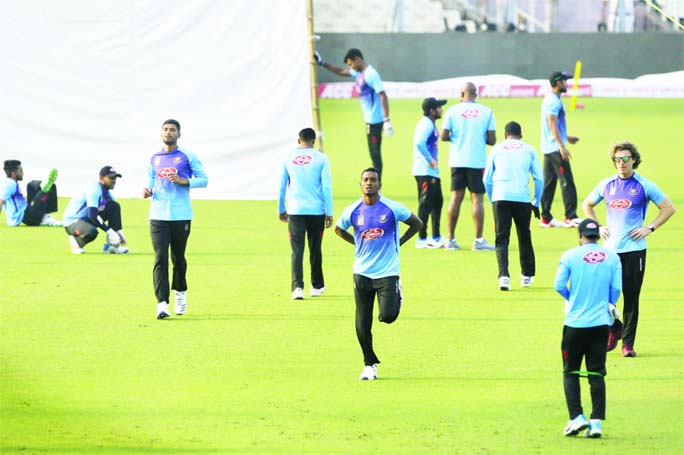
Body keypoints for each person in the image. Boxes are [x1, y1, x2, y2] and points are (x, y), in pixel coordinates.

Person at [581, 141, 675, 357]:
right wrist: (598, 226)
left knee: (631, 297)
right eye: (617, 160)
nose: (621, 163)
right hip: (609, 251)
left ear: (633, 160)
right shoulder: (607, 184)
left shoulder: (644, 185)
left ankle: (628, 344)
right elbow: (587, 204)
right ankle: (615, 326)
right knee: (602, 295)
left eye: (625, 159)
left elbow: (669, 208)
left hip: (634, 250)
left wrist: (649, 227)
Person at [335, 167, 422, 381]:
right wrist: (356, 243)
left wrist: (399, 243)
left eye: (373, 180)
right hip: (361, 272)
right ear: (360, 184)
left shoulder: (392, 208)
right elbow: (338, 228)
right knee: (363, 321)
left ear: (379, 185)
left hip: (387, 273)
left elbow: (417, 223)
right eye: (365, 180)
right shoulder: (353, 210)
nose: (369, 183)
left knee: (387, 316)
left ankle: (397, 293)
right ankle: (369, 364)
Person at [554, 219, 622, 439]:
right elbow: (616, 288)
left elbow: (558, 285)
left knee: (571, 371)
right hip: (600, 325)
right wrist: (608, 304)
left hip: (574, 325)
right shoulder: (612, 257)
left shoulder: (570, 255)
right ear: (598, 237)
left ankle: (576, 417)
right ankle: (595, 423)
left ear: (580, 235)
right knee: (596, 373)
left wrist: (571, 298)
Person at [143, 119, 208, 320]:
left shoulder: (188, 156)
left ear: (179, 134)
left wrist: (184, 181)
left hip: (181, 215)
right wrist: (148, 190)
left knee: (178, 258)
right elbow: (151, 181)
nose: (168, 132)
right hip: (158, 215)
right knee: (160, 257)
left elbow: (204, 180)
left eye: (172, 130)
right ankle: (161, 303)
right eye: (165, 129)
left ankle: (180, 292)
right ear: (161, 133)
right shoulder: (155, 157)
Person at [483, 121, 543, 291]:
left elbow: (486, 179)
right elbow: (539, 179)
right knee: (524, 236)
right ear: (521, 135)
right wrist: (536, 202)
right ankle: (527, 276)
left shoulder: (497, 149)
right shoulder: (529, 149)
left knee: (501, 238)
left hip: (500, 197)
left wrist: (492, 198)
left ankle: (504, 276)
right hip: (523, 199)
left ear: (505, 135)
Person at [314, 48, 393, 175]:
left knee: (375, 154)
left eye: (351, 64)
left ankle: (376, 185)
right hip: (370, 120)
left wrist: (387, 120)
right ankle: (376, 183)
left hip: (375, 121)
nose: (351, 67)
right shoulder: (359, 73)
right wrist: (322, 62)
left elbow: (383, 95)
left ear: (358, 60)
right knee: (374, 154)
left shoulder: (370, 75)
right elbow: (340, 71)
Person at [278, 128, 334, 300]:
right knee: (315, 248)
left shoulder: (288, 157)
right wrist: (329, 212)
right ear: (313, 141)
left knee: (297, 250)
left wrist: (281, 208)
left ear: (298, 140)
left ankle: (297, 288)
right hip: (316, 211)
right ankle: (316, 286)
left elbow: (282, 186)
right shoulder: (322, 158)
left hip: (295, 211)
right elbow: (326, 187)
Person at [440, 81, 496, 251]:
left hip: (457, 160)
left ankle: (450, 239)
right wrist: (478, 139)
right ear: (475, 94)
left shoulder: (452, 111)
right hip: (476, 161)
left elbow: (443, 136)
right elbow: (492, 140)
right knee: (477, 199)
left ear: (462, 94)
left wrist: (458, 138)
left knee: (456, 198)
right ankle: (478, 241)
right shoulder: (487, 112)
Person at [540, 71, 581, 228]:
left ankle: (546, 218)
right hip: (555, 149)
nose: (567, 83)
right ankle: (571, 216)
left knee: (549, 183)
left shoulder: (551, 99)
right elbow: (551, 123)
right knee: (567, 181)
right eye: (565, 81)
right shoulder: (553, 101)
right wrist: (562, 145)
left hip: (549, 147)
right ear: (558, 83)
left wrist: (566, 137)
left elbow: (553, 125)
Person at [63, 166, 129, 255]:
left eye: (115, 178)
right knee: (91, 232)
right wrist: (109, 231)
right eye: (111, 178)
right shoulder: (94, 189)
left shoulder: (107, 192)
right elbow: (93, 215)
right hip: (72, 222)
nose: (114, 180)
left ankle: (111, 246)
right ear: (101, 178)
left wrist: (118, 232)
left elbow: (112, 213)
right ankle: (76, 241)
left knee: (114, 206)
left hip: (87, 219)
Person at [413, 97, 446, 249]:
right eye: (439, 107)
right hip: (424, 171)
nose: (441, 109)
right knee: (425, 204)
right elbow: (419, 143)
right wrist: (430, 159)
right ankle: (422, 238)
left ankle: (436, 236)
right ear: (432, 110)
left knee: (437, 202)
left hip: (432, 172)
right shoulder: (426, 123)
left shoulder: (430, 123)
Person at [0, 160, 61, 227]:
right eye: (20, 171)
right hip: (29, 217)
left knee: (30, 185)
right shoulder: (10, 185)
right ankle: (45, 216)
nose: (23, 172)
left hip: (28, 212)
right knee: (49, 188)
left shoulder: (8, 182)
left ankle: (42, 185)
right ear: (14, 174)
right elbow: (1, 201)